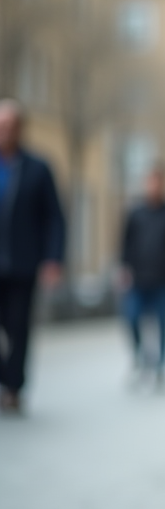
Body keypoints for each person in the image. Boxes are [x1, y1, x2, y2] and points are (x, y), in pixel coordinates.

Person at [0, 99, 65, 415]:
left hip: (23, 263)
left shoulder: (38, 168)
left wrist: (53, 259)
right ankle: (6, 377)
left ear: (21, 129)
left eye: (10, 126)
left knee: (18, 328)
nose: (5, 132)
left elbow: (54, 217)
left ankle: (14, 388)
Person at [121, 162, 165, 387]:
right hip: (138, 278)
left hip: (164, 280)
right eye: (151, 182)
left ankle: (161, 367)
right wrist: (124, 268)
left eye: (158, 182)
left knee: (163, 324)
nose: (154, 186)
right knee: (131, 318)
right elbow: (126, 243)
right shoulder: (136, 213)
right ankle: (141, 357)